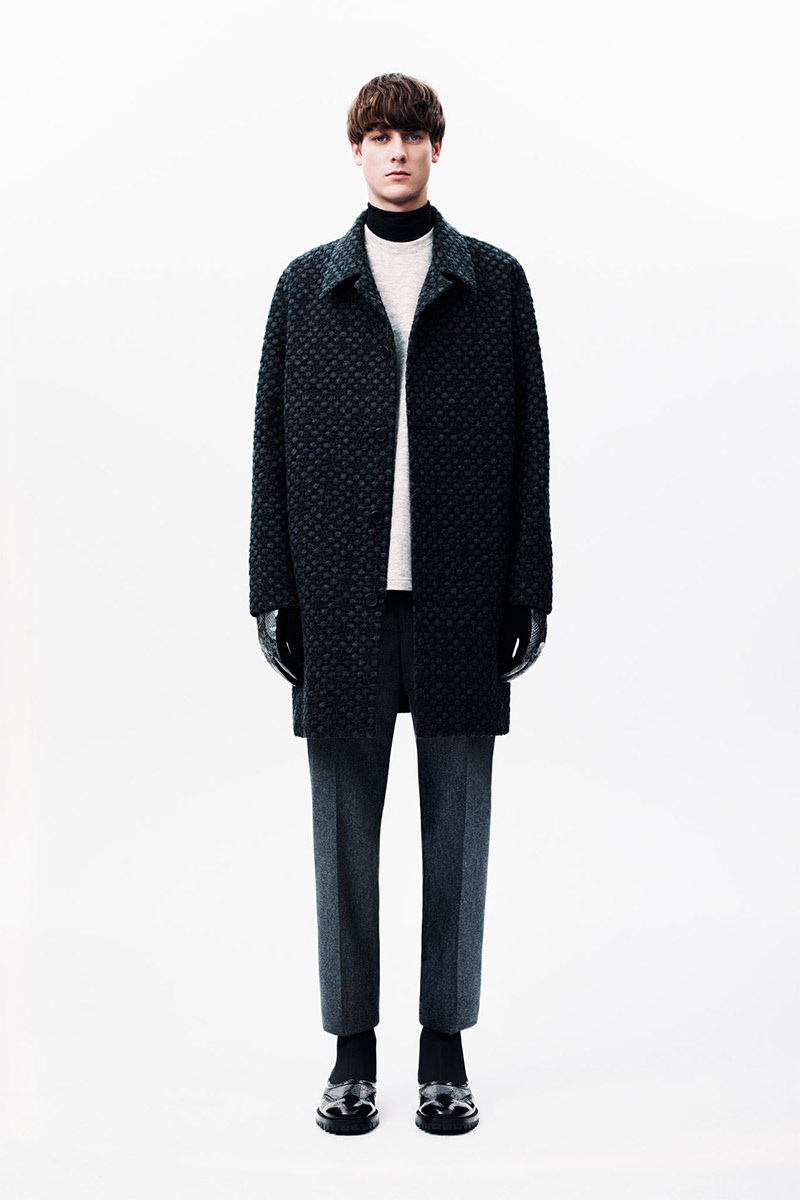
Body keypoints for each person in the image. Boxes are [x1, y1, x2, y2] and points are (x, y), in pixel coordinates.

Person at [249, 72, 552, 1135]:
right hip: (339, 602)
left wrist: (529, 583)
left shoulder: (494, 283)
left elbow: (531, 442)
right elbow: (269, 444)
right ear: (355, 151)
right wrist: (271, 588)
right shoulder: (307, 288)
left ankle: (444, 1047)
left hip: (462, 597)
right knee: (343, 835)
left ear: (435, 149)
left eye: (411, 135)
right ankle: (350, 1053)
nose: (395, 152)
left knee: (455, 833)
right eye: (377, 136)